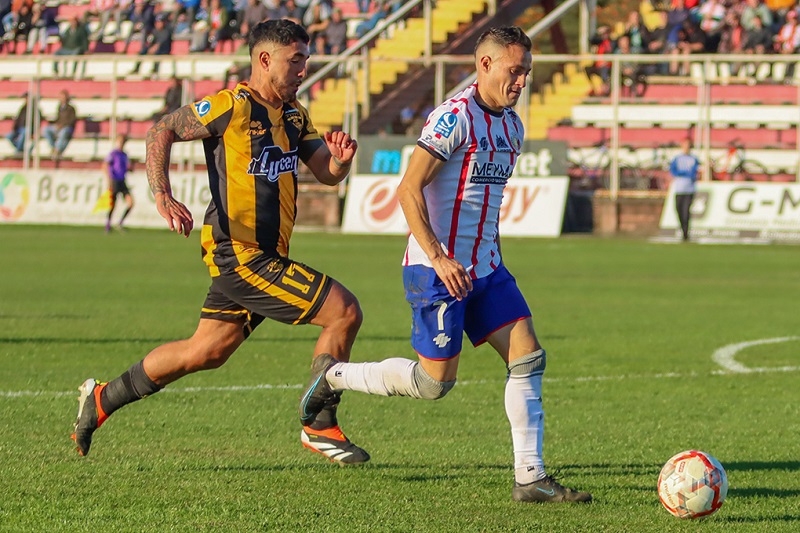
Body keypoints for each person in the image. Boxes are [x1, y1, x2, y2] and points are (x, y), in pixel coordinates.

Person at [298, 26, 592, 503]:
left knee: (529, 357)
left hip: (487, 269)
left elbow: (482, 203)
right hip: (437, 272)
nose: (521, 82)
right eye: (514, 71)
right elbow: (408, 189)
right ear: (486, 65)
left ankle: (530, 478)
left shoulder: (514, 128)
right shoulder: (454, 116)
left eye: (527, 73)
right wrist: (438, 256)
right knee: (433, 385)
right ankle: (332, 375)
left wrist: (486, 258)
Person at [71, 19, 369, 466]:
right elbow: (161, 130)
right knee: (343, 312)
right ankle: (319, 424)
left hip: (266, 255)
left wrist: (341, 162)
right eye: (296, 60)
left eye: (306, 59)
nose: (304, 69)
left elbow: (325, 173)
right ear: (265, 60)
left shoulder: (293, 114)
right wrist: (161, 192)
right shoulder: (230, 106)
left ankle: (101, 399)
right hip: (241, 255)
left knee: (206, 350)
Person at [669, 137, 700, 241]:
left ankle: (685, 233)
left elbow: (694, 172)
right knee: (678, 209)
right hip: (679, 189)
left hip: (689, 189)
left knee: (686, 211)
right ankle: (683, 229)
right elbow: (673, 170)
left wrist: (685, 174)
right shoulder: (677, 159)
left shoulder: (693, 159)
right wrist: (682, 173)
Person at [43, 89, 77, 162]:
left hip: (67, 127)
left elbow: (72, 121)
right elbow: (58, 119)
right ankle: (54, 148)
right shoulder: (59, 107)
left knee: (63, 132)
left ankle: (57, 150)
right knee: (46, 130)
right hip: (59, 126)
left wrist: (62, 125)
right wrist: (54, 123)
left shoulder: (71, 108)